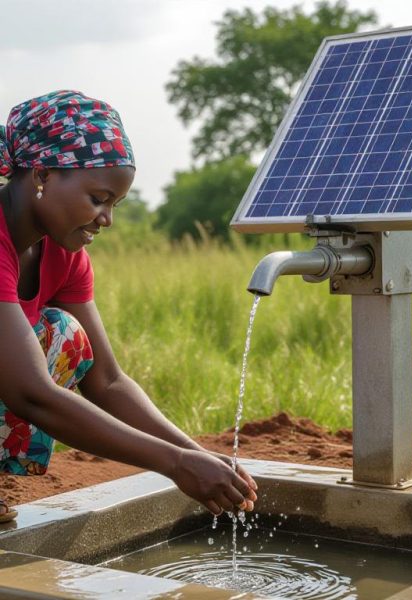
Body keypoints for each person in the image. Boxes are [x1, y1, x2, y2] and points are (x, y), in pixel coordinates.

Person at [0, 90, 257, 523]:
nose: (107, 220)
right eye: (98, 199)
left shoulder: (65, 255)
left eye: (115, 205)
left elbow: (108, 380)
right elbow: (31, 394)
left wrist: (196, 455)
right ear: (43, 173)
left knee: (63, 335)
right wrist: (174, 464)